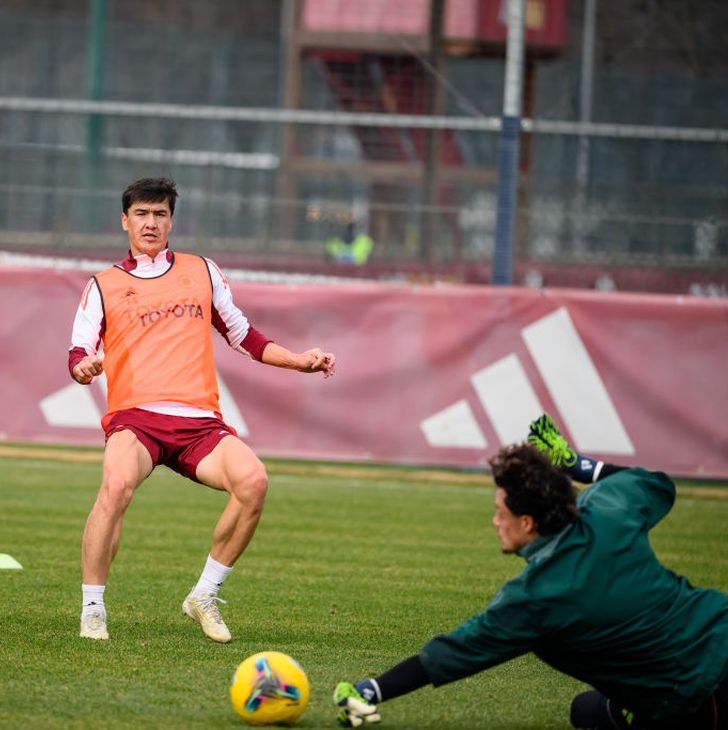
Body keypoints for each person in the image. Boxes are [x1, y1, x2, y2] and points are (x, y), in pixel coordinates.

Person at [68, 177, 336, 642]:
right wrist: (86, 368)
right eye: (142, 214)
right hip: (137, 419)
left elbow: (244, 336)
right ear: (124, 220)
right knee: (114, 488)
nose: (151, 223)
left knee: (254, 482)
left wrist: (299, 361)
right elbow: (77, 355)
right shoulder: (103, 285)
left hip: (199, 424)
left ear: (172, 221)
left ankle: (204, 595)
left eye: (160, 214)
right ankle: (93, 608)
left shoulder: (202, 271)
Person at [333, 414, 728, 729]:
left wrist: (372, 689)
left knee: (598, 712)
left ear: (526, 523)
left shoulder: (535, 599)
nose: (493, 521)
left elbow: (454, 652)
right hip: (720, 625)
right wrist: (578, 465)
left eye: (499, 512)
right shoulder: (607, 507)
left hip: (691, 694)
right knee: (587, 711)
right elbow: (655, 484)